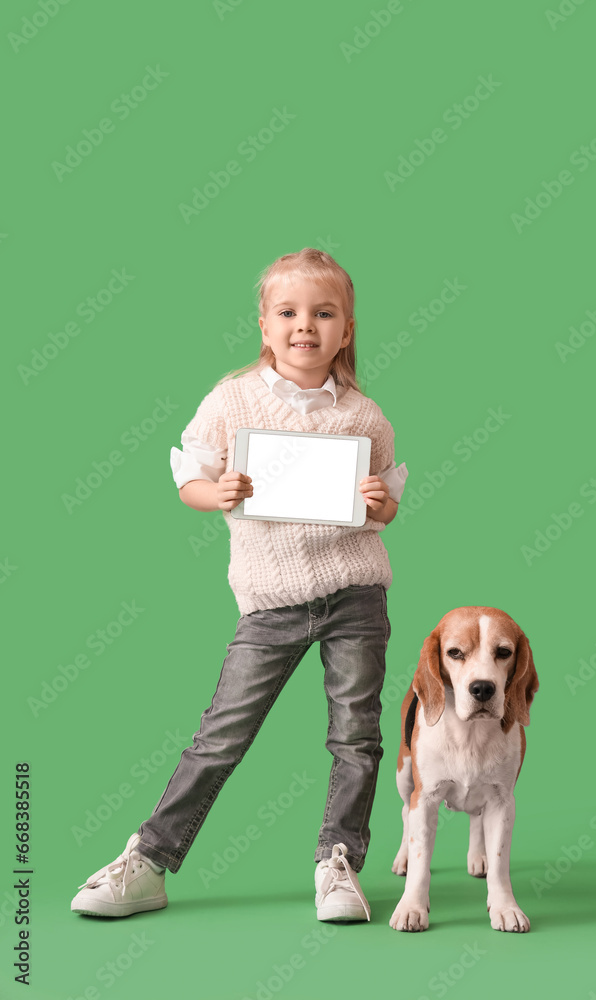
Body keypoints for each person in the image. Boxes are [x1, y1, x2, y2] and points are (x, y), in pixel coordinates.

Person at [71, 247, 408, 923]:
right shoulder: (233, 400)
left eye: (322, 312)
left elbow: (387, 500)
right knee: (222, 734)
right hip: (270, 598)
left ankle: (337, 862)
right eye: (287, 311)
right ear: (263, 324)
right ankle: (149, 860)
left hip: (355, 595)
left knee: (355, 735)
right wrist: (214, 490)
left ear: (345, 329)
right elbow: (188, 475)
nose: (303, 325)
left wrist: (378, 503)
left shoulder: (363, 417)